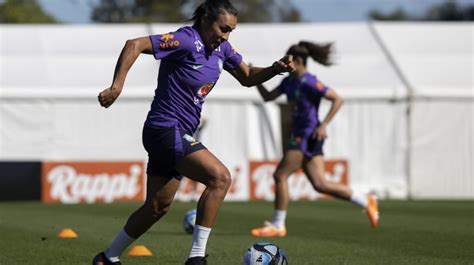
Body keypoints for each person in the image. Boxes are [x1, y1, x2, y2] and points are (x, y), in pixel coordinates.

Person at [92, 0, 295, 264]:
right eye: (222, 28)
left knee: (157, 207)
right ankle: (196, 258)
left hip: (174, 132)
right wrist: (117, 86)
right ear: (205, 19)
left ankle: (107, 258)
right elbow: (134, 44)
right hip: (165, 127)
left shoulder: (222, 48)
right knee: (220, 178)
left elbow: (247, 76)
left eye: (231, 30)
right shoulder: (186, 40)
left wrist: (275, 69)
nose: (225, 35)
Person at [250, 41, 379, 238]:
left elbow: (337, 99)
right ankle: (365, 200)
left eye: (289, 60)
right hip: (301, 134)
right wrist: (255, 77)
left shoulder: (310, 81)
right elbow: (268, 97)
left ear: (299, 61)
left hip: (307, 133)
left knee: (280, 176)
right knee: (320, 184)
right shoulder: (288, 81)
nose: (286, 63)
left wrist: (324, 124)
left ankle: (278, 225)